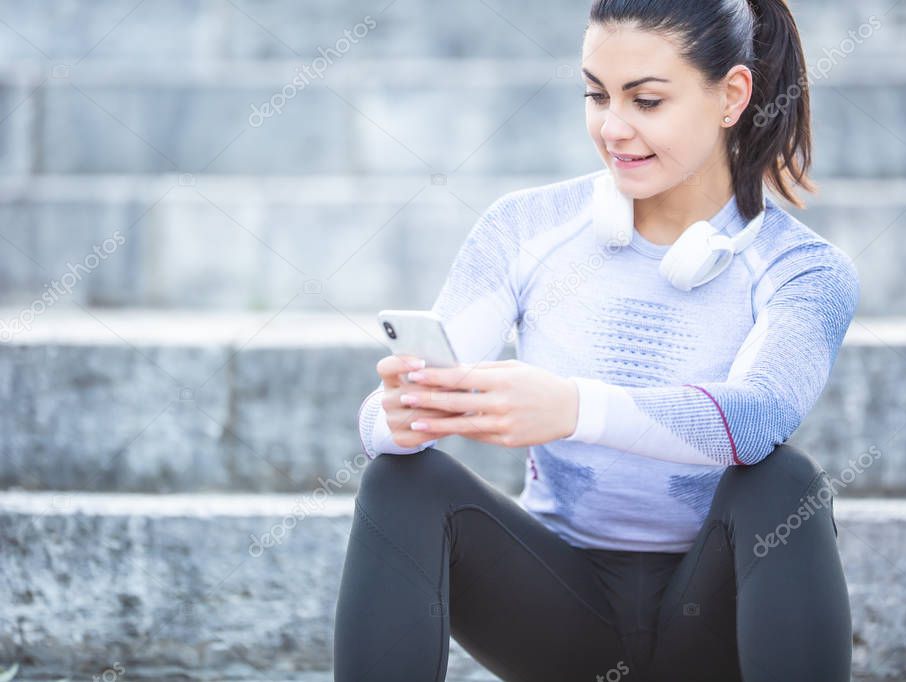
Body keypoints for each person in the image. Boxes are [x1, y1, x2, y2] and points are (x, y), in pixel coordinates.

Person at [334, 0, 860, 679]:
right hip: (560, 616)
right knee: (397, 482)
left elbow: (755, 417)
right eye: (595, 94)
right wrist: (397, 416)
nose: (612, 128)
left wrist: (573, 408)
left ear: (731, 95)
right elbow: (385, 416)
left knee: (784, 481)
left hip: (717, 620)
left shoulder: (802, 269)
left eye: (645, 100)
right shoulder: (525, 227)